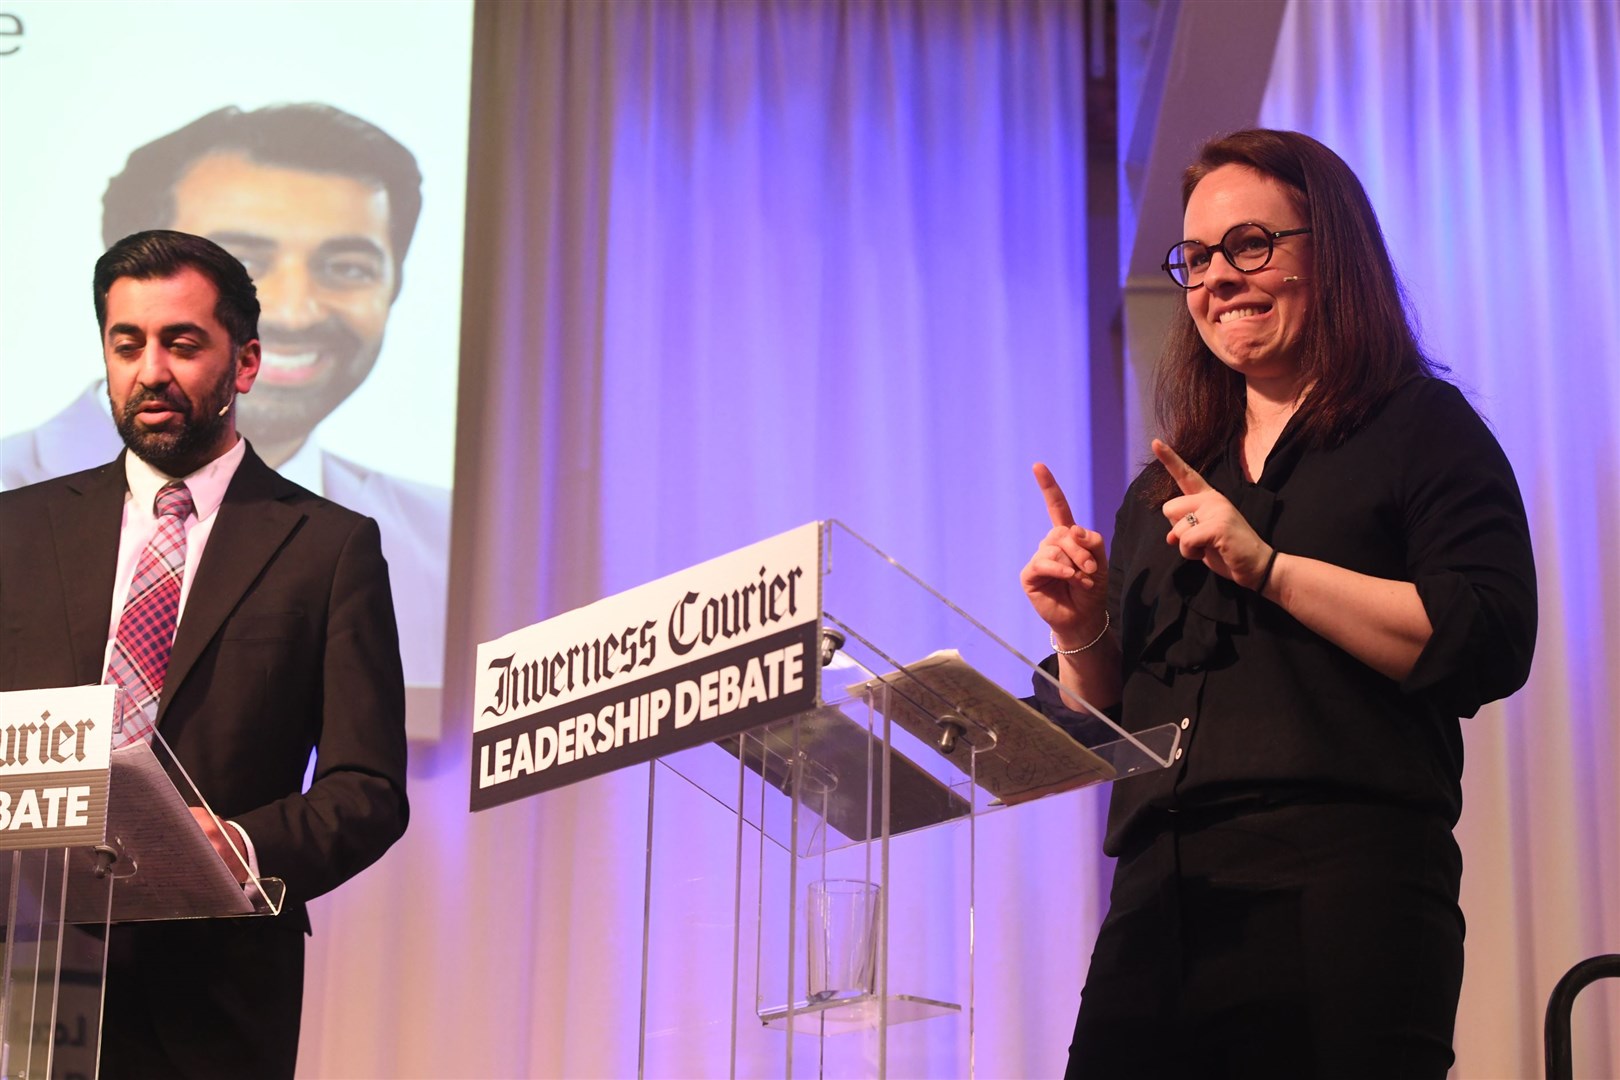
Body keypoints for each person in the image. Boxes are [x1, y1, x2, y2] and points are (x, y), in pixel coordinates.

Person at [1020, 129, 1536, 1079]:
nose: (1218, 278)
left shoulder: (1422, 430)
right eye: (1197, 258)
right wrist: (1080, 628)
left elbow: (1490, 638)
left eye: (1250, 245)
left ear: (1329, 249)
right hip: (1159, 900)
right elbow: (1103, 723)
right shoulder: (1162, 493)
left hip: (1348, 885)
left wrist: (1270, 568)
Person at [0, 230, 410, 1078]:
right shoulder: (16, 532)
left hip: (214, 992)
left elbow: (367, 789)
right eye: (128, 344)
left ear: (245, 362)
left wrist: (242, 847)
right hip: (27, 962)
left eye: (182, 343)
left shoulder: (327, 548)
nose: (151, 370)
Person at [0, 104, 448, 717]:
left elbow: (363, 788)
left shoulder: (390, 546)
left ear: (246, 361)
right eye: (247, 263)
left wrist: (233, 823)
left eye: (345, 268)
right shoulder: (12, 520)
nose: (294, 310)